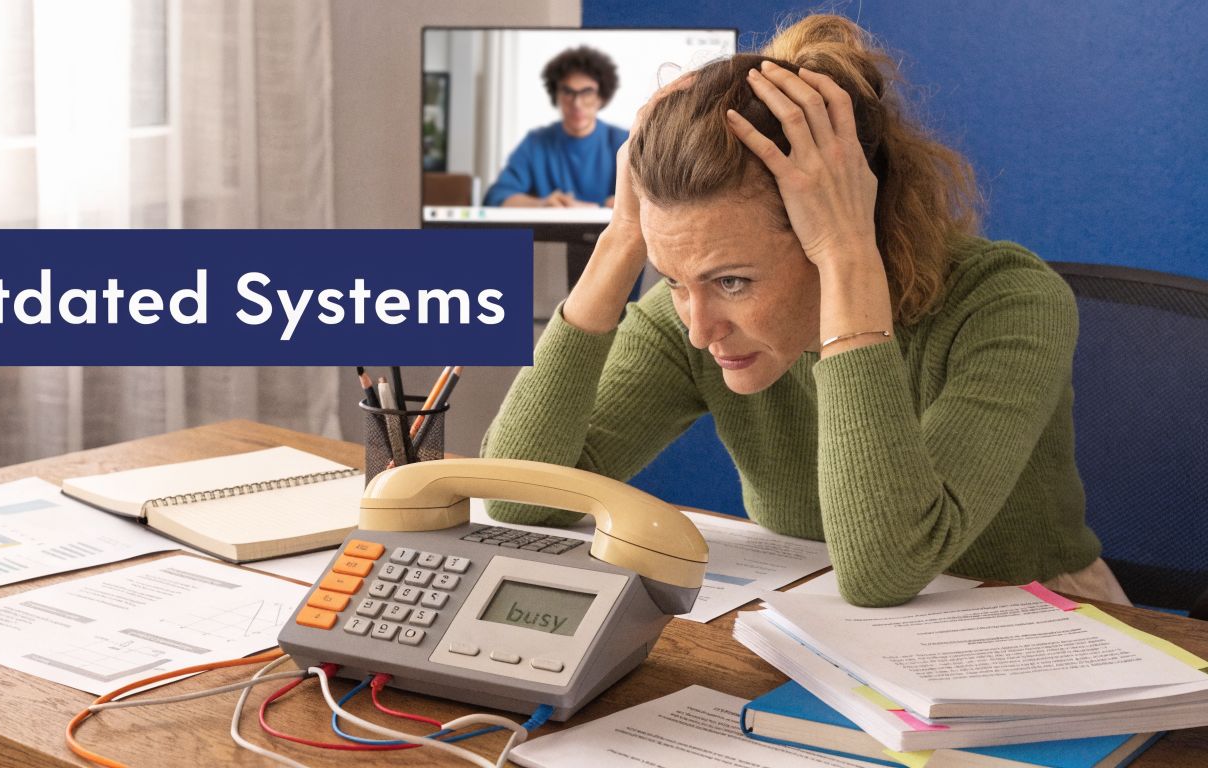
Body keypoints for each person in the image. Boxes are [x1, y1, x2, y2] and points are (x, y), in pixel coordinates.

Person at [480, 14, 1130, 608]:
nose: (700, 330)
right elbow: (516, 498)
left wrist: (849, 254)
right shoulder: (691, 312)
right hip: (816, 613)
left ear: (833, 223)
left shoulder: (1006, 303)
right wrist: (624, 236)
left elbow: (884, 569)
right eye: (674, 279)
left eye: (733, 281)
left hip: (1040, 621)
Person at [482, 46, 630, 208]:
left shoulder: (625, 142)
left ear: (601, 96)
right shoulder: (535, 144)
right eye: (567, 92)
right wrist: (542, 204)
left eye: (587, 92)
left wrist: (628, 206)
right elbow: (496, 198)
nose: (576, 103)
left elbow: (648, 200)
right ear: (556, 95)